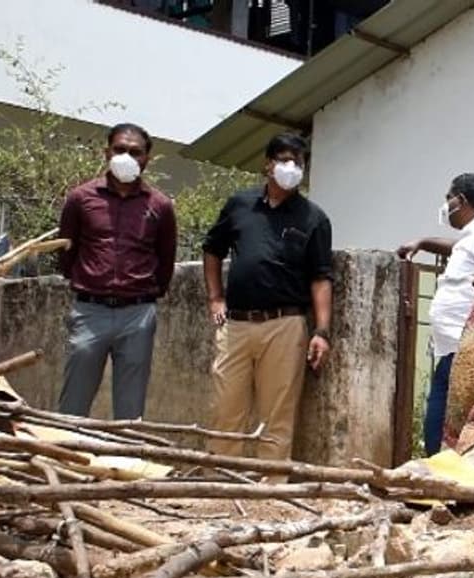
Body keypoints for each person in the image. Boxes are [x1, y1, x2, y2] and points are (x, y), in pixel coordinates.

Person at [201, 133, 333, 467]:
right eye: (285, 160)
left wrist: (322, 330)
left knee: (278, 415)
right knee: (225, 408)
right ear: (268, 164)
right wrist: (215, 297)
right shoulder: (239, 205)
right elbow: (212, 250)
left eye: (298, 162)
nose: (291, 168)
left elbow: (321, 276)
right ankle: (222, 480)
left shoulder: (314, 218)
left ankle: (270, 486)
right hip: (236, 325)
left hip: (285, 325)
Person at [57, 122, 177, 420]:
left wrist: (146, 294)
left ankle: (126, 461)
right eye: (120, 149)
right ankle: (63, 455)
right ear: (106, 151)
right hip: (89, 311)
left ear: (147, 158)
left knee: (130, 408)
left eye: (135, 152)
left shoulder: (160, 206)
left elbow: (166, 259)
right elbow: (65, 250)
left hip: (138, 314)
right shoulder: (80, 198)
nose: (127, 156)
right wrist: (86, 282)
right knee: (74, 402)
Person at [398, 173, 474, 454]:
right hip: (453, 348)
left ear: (462, 200)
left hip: (466, 348)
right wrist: (422, 242)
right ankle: (438, 475)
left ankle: (442, 478)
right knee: (440, 418)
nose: (445, 205)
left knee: (445, 420)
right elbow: (459, 248)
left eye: (449, 198)